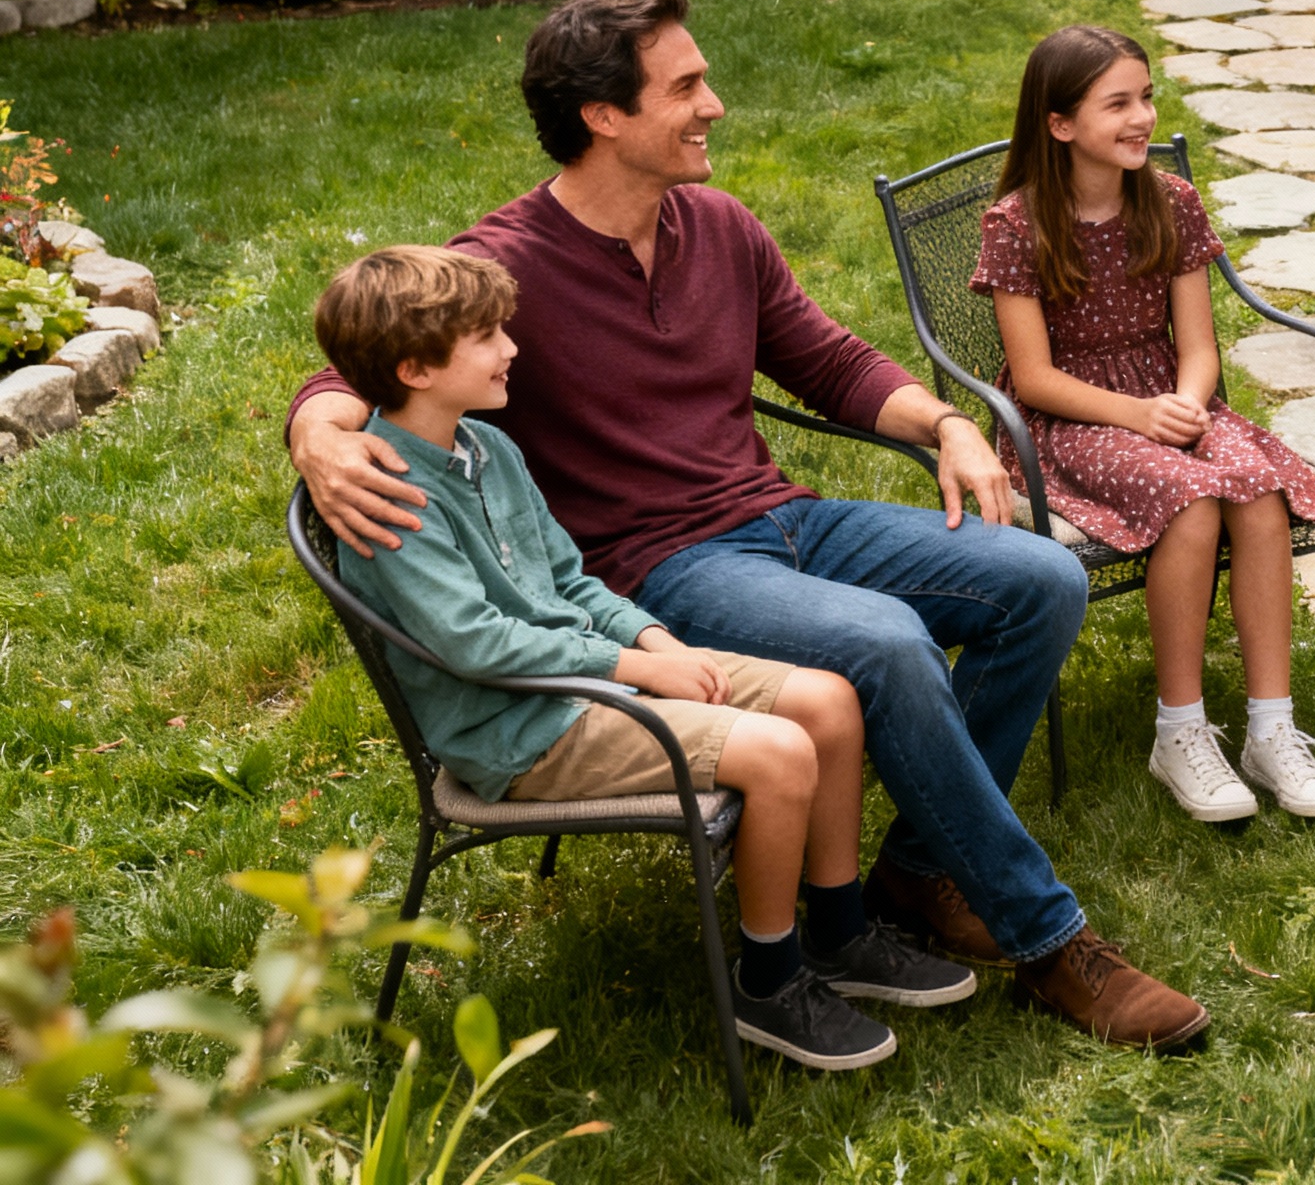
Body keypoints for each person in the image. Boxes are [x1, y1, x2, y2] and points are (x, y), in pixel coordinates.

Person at [288, 0, 1208, 1050]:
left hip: (782, 517)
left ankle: (916, 873)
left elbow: (829, 359)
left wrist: (947, 426)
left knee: (1039, 580)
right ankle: (1048, 943)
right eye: (685, 86)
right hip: (658, 567)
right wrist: (317, 428)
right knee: (886, 643)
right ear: (603, 115)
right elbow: (368, 358)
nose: (714, 105)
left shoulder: (718, 225)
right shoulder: (514, 261)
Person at [314, 245, 978, 1070]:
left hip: (589, 674)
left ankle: (841, 934)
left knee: (829, 702)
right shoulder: (393, 496)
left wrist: (653, 639)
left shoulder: (489, 448)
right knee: (778, 753)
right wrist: (632, 668)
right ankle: (770, 983)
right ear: (415, 368)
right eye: (485, 336)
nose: (511, 347)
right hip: (519, 725)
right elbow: (475, 642)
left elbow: (568, 577)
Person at [975, 26, 1315, 824]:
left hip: (1170, 395)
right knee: (1190, 496)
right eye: (1119, 103)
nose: (1143, 116)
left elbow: (1201, 345)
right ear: (1061, 124)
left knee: (1254, 488)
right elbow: (1035, 378)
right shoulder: (1017, 224)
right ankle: (1178, 730)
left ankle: (1270, 728)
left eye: (1146, 96)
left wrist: (1185, 398)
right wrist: (1138, 415)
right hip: (1069, 419)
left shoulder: (1171, 200)